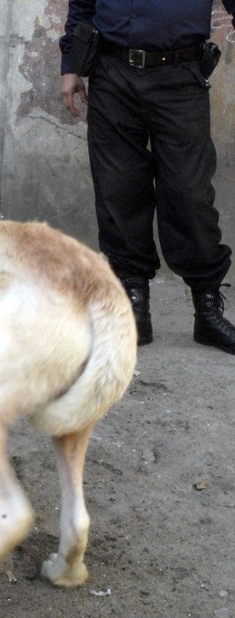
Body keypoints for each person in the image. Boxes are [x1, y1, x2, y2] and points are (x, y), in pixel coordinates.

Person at [60, 1, 235, 355]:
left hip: (181, 77)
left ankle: (207, 308)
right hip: (112, 73)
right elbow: (82, 5)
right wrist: (71, 66)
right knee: (118, 190)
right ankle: (133, 305)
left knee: (190, 193)